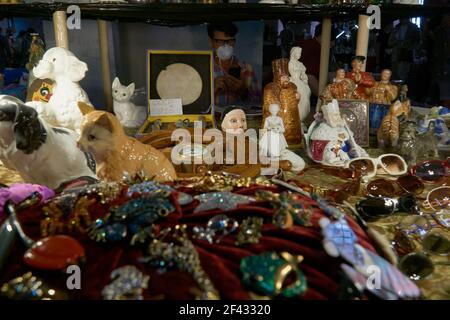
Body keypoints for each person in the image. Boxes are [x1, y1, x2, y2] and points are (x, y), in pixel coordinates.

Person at [207, 22, 260, 107]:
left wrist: (243, 91)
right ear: (210, 41)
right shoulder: (204, 68)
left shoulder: (247, 69)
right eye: (220, 41)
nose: (225, 46)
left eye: (230, 41)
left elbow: (257, 104)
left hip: (237, 118)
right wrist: (211, 90)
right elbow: (193, 102)